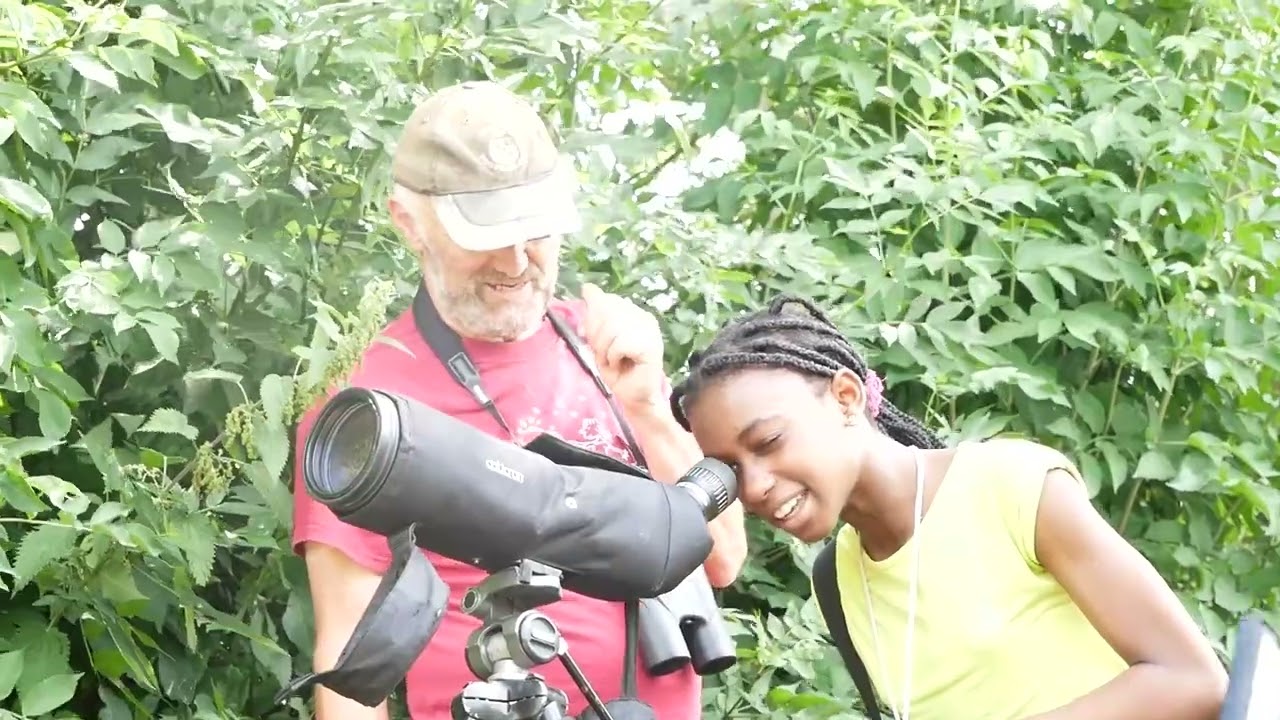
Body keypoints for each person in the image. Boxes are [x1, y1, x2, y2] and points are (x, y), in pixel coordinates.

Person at [290, 80, 747, 720]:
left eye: (533, 229)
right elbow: (348, 658)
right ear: (409, 223)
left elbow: (723, 558)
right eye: (485, 233)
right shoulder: (364, 402)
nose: (514, 258)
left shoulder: (608, 346)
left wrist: (646, 404)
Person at [668, 294, 1228, 720]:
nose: (756, 485)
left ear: (845, 398)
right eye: (732, 469)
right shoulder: (836, 578)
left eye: (767, 443)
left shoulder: (1007, 483)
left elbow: (1193, 679)